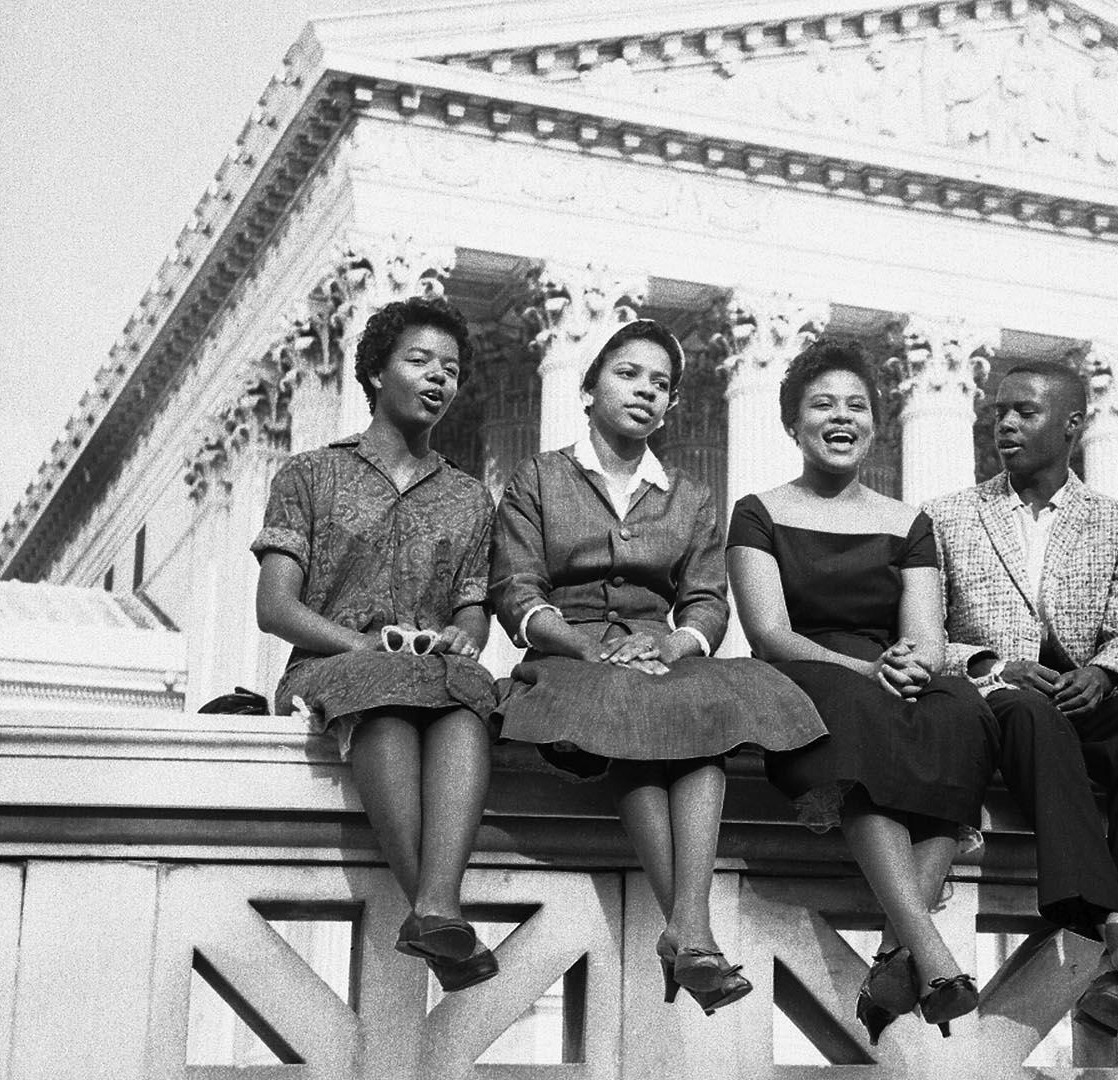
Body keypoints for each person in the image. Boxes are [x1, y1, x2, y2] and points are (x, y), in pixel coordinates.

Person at [490, 319, 825, 1015]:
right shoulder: (540, 477)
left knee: (700, 707)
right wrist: (585, 646)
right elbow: (516, 588)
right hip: (567, 654)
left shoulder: (690, 496)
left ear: (671, 407)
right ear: (587, 391)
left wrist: (672, 645)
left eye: (661, 385)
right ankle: (692, 931)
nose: (646, 391)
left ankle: (688, 928)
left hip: (657, 655)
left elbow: (705, 599)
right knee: (636, 709)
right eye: (628, 374)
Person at [726, 341, 997, 1042]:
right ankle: (929, 950)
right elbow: (770, 633)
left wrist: (916, 663)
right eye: (822, 405)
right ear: (793, 424)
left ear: (876, 422)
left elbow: (926, 633)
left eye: (856, 406)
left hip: (886, 673)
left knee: (963, 708)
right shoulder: (758, 511)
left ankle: (896, 955)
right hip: (807, 673)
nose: (841, 418)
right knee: (853, 714)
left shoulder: (907, 522)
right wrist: (866, 672)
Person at [924, 360, 1118, 1037]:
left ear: (1072, 425)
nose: (1005, 424)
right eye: (998, 413)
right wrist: (996, 664)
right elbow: (927, 636)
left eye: (1024, 412)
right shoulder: (947, 515)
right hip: (997, 700)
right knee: (1029, 711)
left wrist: (1104, 674)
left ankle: (1117, 958)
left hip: (1089, 697)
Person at [253, 295, 500, 992]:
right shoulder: (309, 474)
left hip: (432, 673)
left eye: (449, 369)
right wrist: (361, 646)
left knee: (472, 694)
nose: (437, 379)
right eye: (419, 361)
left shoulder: (469, 497)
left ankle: (433, 908)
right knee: (385, 694)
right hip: (332, 669)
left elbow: (473, 610)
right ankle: (439, 911)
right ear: (373, 374)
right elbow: (275, 608)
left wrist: (461, 635)